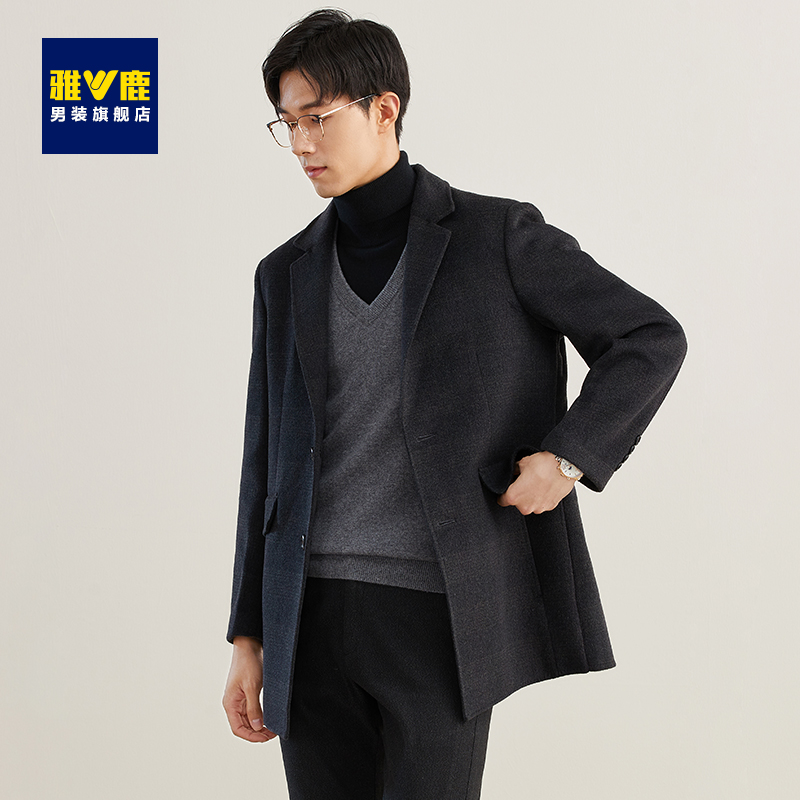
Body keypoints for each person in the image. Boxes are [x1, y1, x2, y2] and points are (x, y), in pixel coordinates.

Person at [222, 9, 687, 799]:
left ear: (384, 108)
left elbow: (648, 337)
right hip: (308, 611)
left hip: (440, 611)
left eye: (317, 118)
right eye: (287, 124)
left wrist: (568, 458)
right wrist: (248, 635)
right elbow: (262, 463)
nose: (300, 144)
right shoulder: (284, 272)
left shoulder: (496, 236)